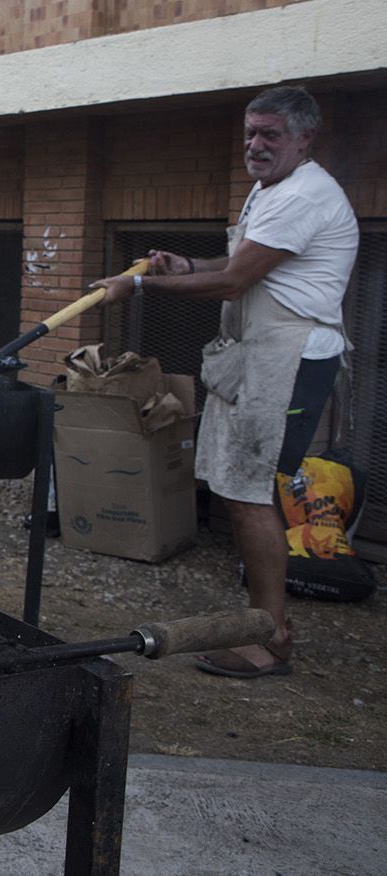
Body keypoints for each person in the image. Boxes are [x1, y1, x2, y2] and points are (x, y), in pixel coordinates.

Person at [93, 85, 358, 678]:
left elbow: (235, 281)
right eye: (250, 133)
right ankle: (266, 625)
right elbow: (237, 264)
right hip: (257, 356)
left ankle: (271, 638)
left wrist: (136, 286)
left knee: (249, 491)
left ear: (305, 138)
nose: (255, 145)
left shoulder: (306, 195)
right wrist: (185, 266)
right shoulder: (272, 191)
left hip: (289, 360)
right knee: (241, 489)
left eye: (270, 135)